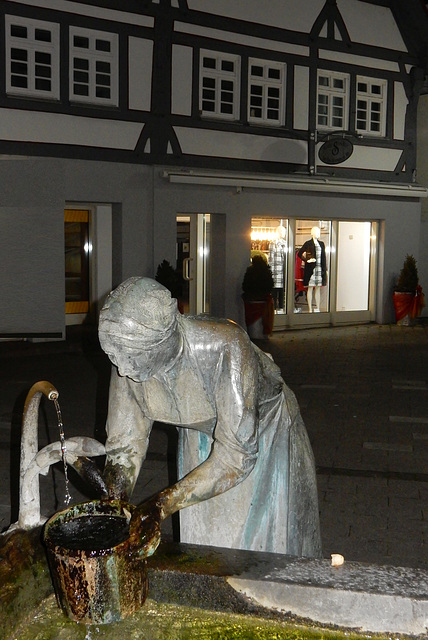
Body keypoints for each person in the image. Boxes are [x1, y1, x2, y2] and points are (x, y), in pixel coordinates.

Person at [98, 276, 322, 557]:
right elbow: (124, 445)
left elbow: (237, 455)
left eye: (131, 357)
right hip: (200, 434)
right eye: (113, 356)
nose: (122, 368)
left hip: (261, 434)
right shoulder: (126, 354)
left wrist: (162, 503)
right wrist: (114, 506)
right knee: (202, 538)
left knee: (253, 545)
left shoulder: (225, 344)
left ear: (165, 340)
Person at [297, 226, 327, 312]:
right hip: (311, 269)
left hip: (319, 269)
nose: (319, 234)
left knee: (317, 288)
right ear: (312, 233)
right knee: (310, 288)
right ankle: (310, 308)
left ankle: (317, 308)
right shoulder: (308, 243)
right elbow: (299, 254)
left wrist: (325, 269)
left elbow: (323, 257)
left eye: (319, 232)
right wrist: (307, 260)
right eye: (317, 232)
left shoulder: (321, 244)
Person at [268, 224, 287, 311]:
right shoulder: (273, 243)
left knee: (282, 290)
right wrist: (270, 271)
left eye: (284, 231)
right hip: (276, 270)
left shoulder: (286, 244)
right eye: (282, 231)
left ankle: (281, 307)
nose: (284, 233)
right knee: (275, 290)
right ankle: (274, 307)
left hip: (284, 270)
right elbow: (271, 258)